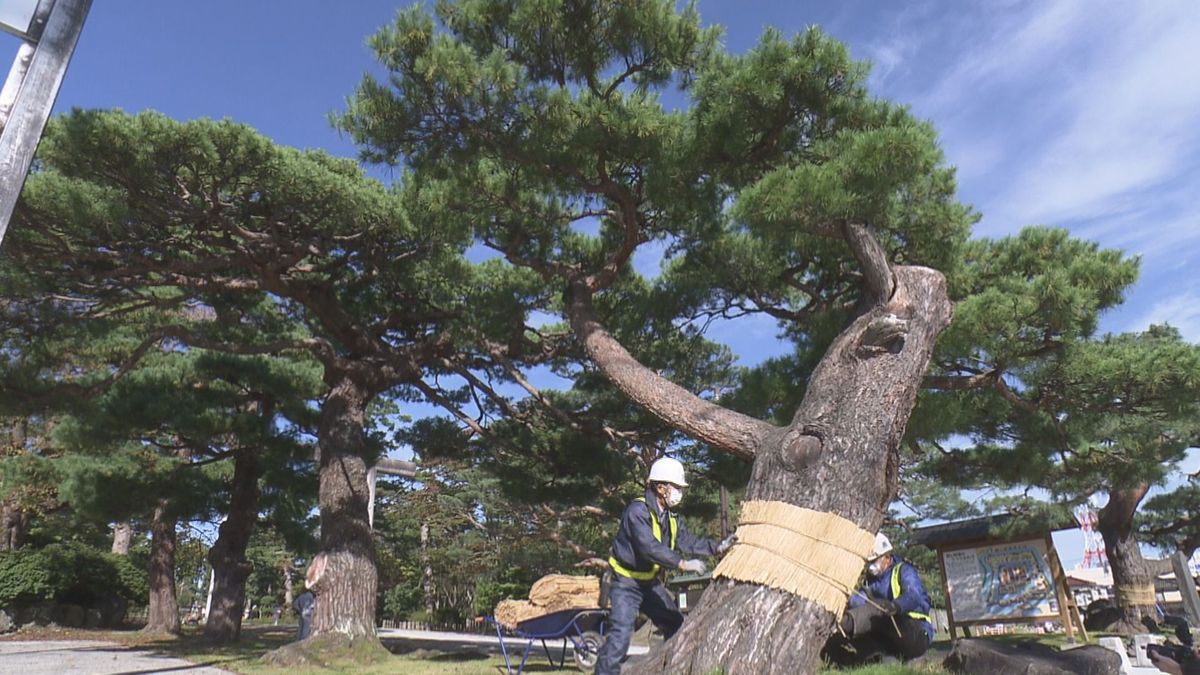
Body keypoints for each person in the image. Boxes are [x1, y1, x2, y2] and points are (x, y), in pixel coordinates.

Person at [594, 457, 735, 675]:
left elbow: (687, 540)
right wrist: (682, 563)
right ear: (661, 488)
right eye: (677, 487)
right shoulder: (637, 511)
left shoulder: (670, 518)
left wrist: (717, 547)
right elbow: (648, 547)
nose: (680, 492)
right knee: (620, 636)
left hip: (649, 584)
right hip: (625, 583)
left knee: (676, 624)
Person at [822, 532, 934, 667]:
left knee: (880, 607)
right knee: (859, 645)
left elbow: (914, 595)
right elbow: (858, 602)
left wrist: (896, 606)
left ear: (887, 557)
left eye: (874, 561)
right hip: (888, 639)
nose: (870, 566)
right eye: (868, 562)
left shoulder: (904, 570)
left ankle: (842, 625)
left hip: (915, 632)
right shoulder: (870, 583)